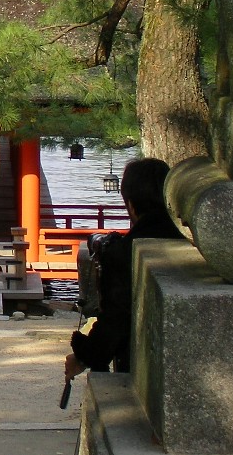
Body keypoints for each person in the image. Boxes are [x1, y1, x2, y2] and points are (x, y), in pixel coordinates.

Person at [64, 158, 185, 379]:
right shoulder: (188, 242)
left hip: (143, 367)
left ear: (130, 203)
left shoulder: (125, 252)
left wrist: (85, 354)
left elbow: (116, 320)